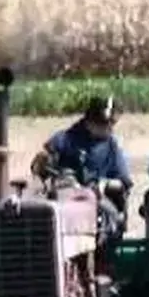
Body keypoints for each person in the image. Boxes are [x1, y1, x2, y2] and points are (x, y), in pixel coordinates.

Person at [30, 95, 133, 244]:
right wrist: (44, 165)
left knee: (107, 216)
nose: (108, 128)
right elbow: (39, 165)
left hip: (99, 199)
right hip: (64, 197)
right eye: (102, 123)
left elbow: (124, 182)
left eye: (111, 124)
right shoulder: (65, 139)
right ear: (88, 120)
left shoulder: (111, 147)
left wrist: (104, 184)